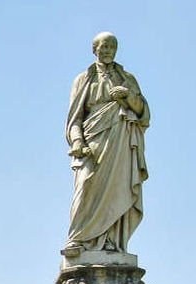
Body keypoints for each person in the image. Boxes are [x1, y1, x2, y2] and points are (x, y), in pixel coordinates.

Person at [64, 32, 150, 256]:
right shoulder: (84, 79)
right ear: (95, 49)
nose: (108, 50)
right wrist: (77, 142)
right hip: (93, 144)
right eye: (104, 46)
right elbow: (74, 119)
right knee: (85, 186)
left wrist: (128, 96)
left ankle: (112, 242)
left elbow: (143, 113)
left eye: (113, 46)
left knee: (118, 189)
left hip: (120, 140)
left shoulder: (127, 78)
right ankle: (78, 240)